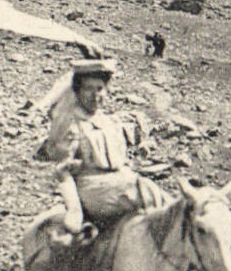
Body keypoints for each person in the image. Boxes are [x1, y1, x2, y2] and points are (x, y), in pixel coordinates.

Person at [46, 58, 168, 229]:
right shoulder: (71, 124)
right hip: (92, 189)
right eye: (88, 89)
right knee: (146, 193)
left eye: (100, 89)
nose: (96, 95)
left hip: (121, 183)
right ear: (77, 91)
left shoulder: (108, 122)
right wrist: (75, 210)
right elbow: (63, 171)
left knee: (168, 203)